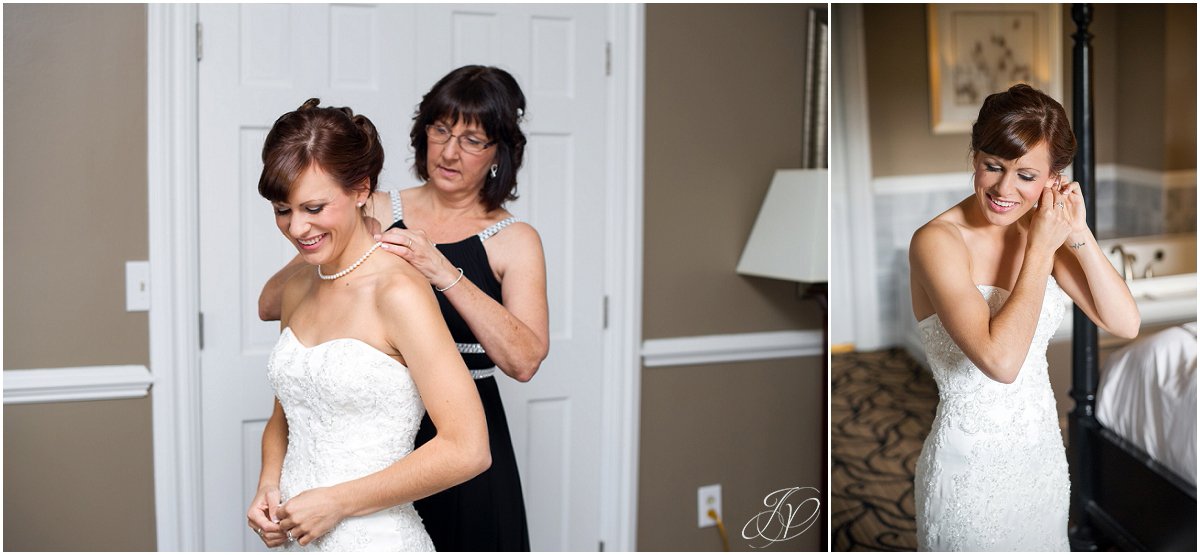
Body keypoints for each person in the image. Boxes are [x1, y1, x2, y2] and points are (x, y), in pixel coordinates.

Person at [258, 66, 546, 551]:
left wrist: (442, 272)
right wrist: (334, 239)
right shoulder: (367, 207)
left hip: (456, 420)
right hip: (363, 423)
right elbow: (278, 300)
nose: (450, 151)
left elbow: (524, 360)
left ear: (500, 152)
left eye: (473, 139)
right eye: (440, 130)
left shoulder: (513, 239)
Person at [908, 84, 1140, 551]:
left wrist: (1078, 233)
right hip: (969, 475)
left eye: (1027, 176)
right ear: (975, 155)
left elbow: (1125, 322)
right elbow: (1002, 362)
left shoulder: (1047, 232)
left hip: (1041, 463)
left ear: (1054, 177)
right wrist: (1039, 247)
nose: (1004, 189)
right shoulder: (937, 242)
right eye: (993, 166)